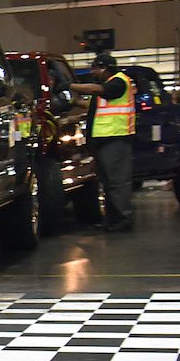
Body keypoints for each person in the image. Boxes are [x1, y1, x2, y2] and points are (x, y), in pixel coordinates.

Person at [70, 52, 136, 231]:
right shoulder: (108, 84)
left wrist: (71, 85)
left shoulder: (119, 82)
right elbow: (93, 104)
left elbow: (97, 90)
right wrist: (73, 102)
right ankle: (113, 219)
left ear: (105, 68)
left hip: (116, 138)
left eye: (95, 68)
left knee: (117, 182)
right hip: (105, 140)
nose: (93, 72)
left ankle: (122, 220)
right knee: (109, 183)